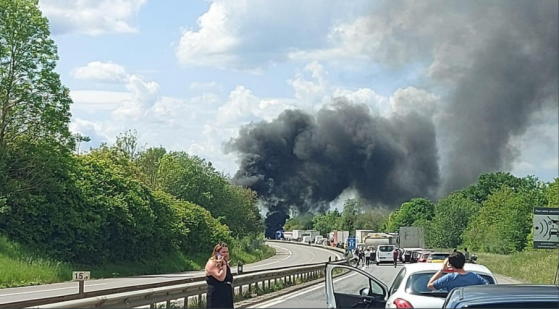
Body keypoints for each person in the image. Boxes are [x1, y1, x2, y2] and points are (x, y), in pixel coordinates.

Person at [205, 242, 234, 308]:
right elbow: (221, 278)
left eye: (227, 252)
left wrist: (224, 264)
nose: (226, 254)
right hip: (216, 294)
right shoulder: (212, 263)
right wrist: (223, 264)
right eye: (223, 252)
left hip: (226, 294)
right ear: (217, 253)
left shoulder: (225, 263)